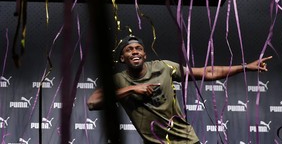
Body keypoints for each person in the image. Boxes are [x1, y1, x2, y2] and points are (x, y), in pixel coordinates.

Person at [87, 35, 272, 144]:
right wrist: (132, 89)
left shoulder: (164, 67)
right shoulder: (119, 80)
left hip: (186, 141)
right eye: (128, 50)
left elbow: (206, 72)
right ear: (122, 58)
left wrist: (245, 67)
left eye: (138, 48)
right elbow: (93, 102)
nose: (134, 51)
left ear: (144, 54)